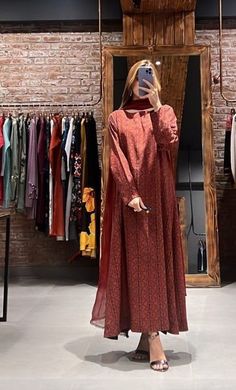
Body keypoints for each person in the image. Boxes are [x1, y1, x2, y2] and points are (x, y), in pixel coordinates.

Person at [90, 59, 188, 372]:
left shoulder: (166, 112)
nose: (143, 83)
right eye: (139, 77)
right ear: (130, 82)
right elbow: (116, 160)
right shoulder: (117, 118)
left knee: (154, 265)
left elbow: (169, 143)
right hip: (131, 203)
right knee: (138, 267)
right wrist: (130, 195)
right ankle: (152, 336)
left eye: (149, 77)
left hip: (159, 200)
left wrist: (158, 105)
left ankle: (149, 337)